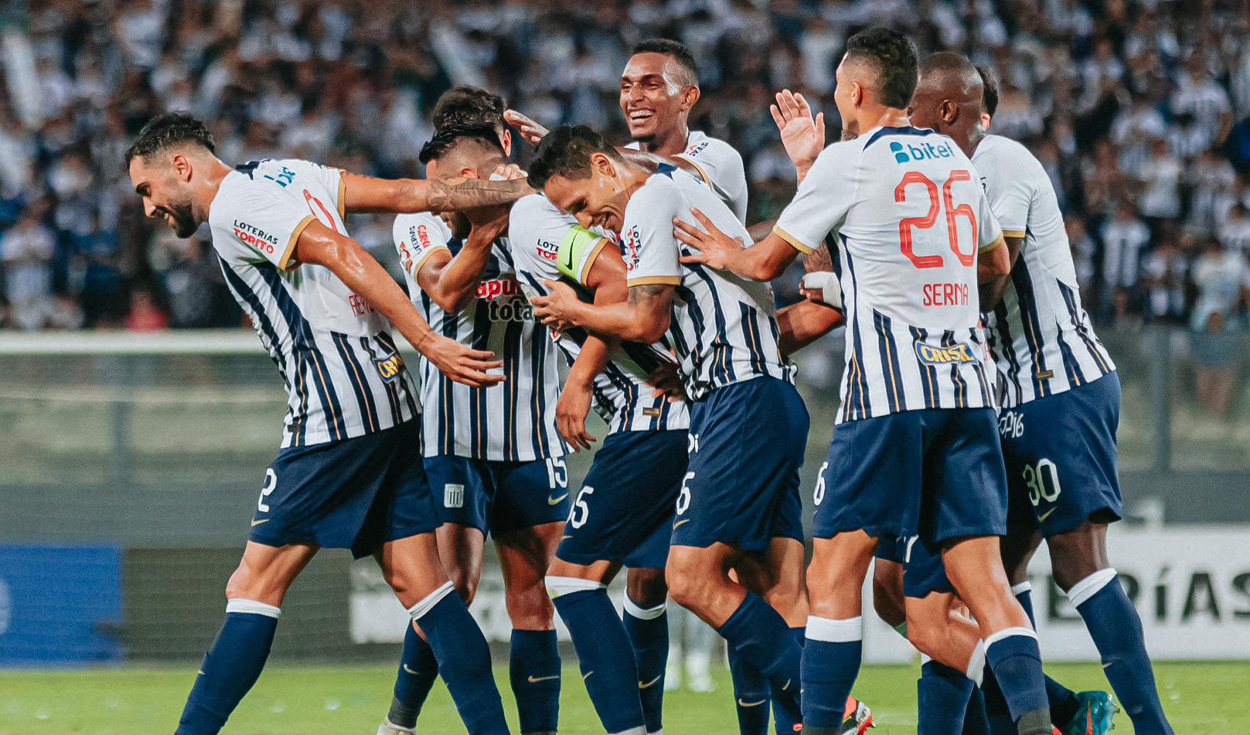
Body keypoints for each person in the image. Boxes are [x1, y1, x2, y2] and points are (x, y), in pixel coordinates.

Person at [670, 28, 1055, 735]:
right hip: (968, 392)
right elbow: (996, 265)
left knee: (833, 575)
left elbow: (763, 266)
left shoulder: (851, 161)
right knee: (989, 585)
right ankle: (1038, 724)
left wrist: (725, 247)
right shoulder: (953, 159)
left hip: (887, 399)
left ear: (854, 90)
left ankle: (820, 726)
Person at [125, 111, 527, 735]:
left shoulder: (235, 205)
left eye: (146, 190)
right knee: (423, 584)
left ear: (181, 166)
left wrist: (427, 339)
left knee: (255, 581)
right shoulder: (288, 173)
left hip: (336, 409)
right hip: (390, 400)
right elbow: (405, 195)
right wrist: (511, 187)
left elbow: (340, 250)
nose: (148, 207)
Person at [903, 51, 1165, 735]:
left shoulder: (999, 162)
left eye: (913, 107)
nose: (905, 119)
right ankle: (1059, 717)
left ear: (945, 111)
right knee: (970, 584)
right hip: (1007, 397)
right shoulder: (943, 177)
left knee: (1079, 562)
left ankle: (1154, 727)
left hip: (1057, 384)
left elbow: (992, 275)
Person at [526, 125, 810, 732]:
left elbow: (647, 317)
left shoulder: (650, 198)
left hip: (738, 400)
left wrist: (573, 312)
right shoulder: (681, 185)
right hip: (763, 394)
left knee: (690, 577)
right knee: (776, 588)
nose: (586, 221)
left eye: (579, 204)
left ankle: (831, 707)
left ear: (604, 167)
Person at [381, 93, 566, 735]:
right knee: (453, 589)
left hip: (535, 434)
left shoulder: (545, 209)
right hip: (453, 433)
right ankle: (400, 723)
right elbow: (446, 287)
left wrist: (554, 172)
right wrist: (489, 223)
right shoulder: (424, 218)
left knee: (536, 598)